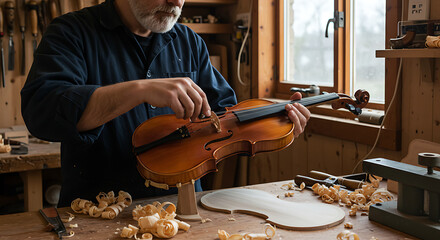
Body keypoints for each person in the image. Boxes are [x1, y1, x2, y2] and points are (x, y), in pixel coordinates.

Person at [21, 0, 310, 207]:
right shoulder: (71, 32)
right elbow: (41, 111)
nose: (176, 2)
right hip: (97, 213)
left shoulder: (189, 41)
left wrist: (276, 122)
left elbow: (226, 118)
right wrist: (138, 90)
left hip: (182, 211)